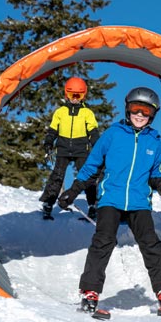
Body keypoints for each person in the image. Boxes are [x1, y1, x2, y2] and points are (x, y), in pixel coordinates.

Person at [58, 86, 161, 316]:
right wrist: (74, 190)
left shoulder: (155, 142)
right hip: (110, 198)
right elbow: (92, 165)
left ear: (153, 114)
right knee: (102, 242)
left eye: (146, 111)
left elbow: (156, 172)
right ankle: (90, 293)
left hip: (139, 202)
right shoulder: (113, 134)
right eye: (135, 109)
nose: (140, 114)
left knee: (151, 245)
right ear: (127, 109)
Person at [39, 77, 101, 220]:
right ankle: (48, 203)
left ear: (83, 95)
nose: (74, 98)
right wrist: (48, 142)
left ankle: (93, 205)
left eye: (78, 95)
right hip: (63, 148)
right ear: (66, 94)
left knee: (87, 176)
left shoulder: (87, 113)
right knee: (57, 176)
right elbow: (53, 130)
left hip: (81, 149)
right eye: (71, 94)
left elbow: (93, 131)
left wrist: (97, 148)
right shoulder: (60, 112)